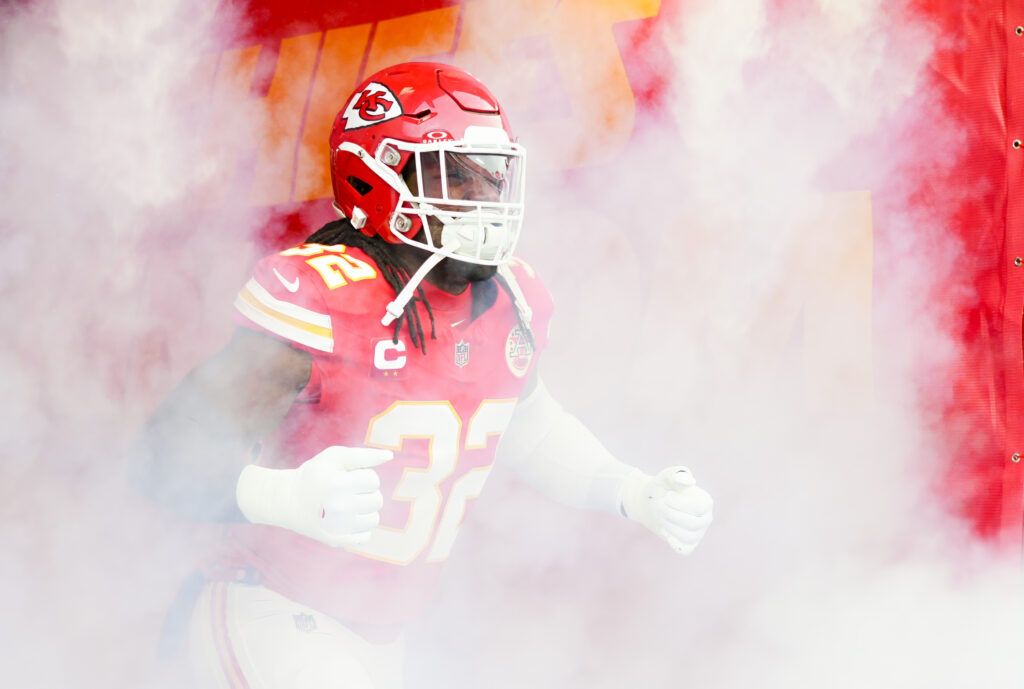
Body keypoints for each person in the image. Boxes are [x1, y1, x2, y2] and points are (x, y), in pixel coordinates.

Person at [133, 61, 713, 689]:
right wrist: (284, 497)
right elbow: (162, 454)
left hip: (385, 639)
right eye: (452, 177)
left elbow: (530, 428)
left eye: (490, 175)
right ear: (376, 178)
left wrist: (632, 491)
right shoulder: (324, 299)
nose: (482, 198)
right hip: (274, 608)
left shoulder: (509, 298)